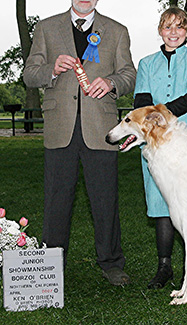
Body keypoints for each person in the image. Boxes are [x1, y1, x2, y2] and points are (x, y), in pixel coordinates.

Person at [23, 0, 136, 286]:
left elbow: (129, 75)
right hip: (60, 127)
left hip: (101, 128)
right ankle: (51, 264)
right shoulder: (46, 28)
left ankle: (111, 263)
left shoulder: (117, 30)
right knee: (56, 200)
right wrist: (51, 68)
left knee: (105, 200)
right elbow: (29, 74)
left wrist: (111, 83)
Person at [133, 6, 187, 289]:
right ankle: (164, 266)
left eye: (179, 26)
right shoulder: (146, 63)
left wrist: (163, 115)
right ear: (160, 30)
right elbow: (141, 102)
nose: (173, 32)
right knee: (160, 204)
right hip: (156, 145)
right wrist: (154, 119)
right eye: (168, 26)